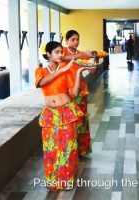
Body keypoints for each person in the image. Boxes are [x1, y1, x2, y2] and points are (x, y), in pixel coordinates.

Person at [35, 41, 90, 191]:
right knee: (50, 149)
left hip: (66, 112)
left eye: (61, 52)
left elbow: (74, 93)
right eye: (57, 52)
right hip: (49, 115)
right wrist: (63, 70)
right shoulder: (41, 71)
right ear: (48, 55)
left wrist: (78, 72)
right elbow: (41, 83)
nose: (60, 55)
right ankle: (54, 181)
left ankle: (67, 180)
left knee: (68, 148)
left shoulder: (66, 71)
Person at [62, 30, 96, 157]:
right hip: (66, 91)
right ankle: (70, 149)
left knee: (81, 119)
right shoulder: (63, 52)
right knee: (70, 120)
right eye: (73, 39)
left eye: (77, 39)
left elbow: (92, 71)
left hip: (81, 90)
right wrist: (82, 56)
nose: (76, 42)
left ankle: (81, 149)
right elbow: (64, 58)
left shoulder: (82, 54)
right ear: (67, 41)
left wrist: (94, 57)